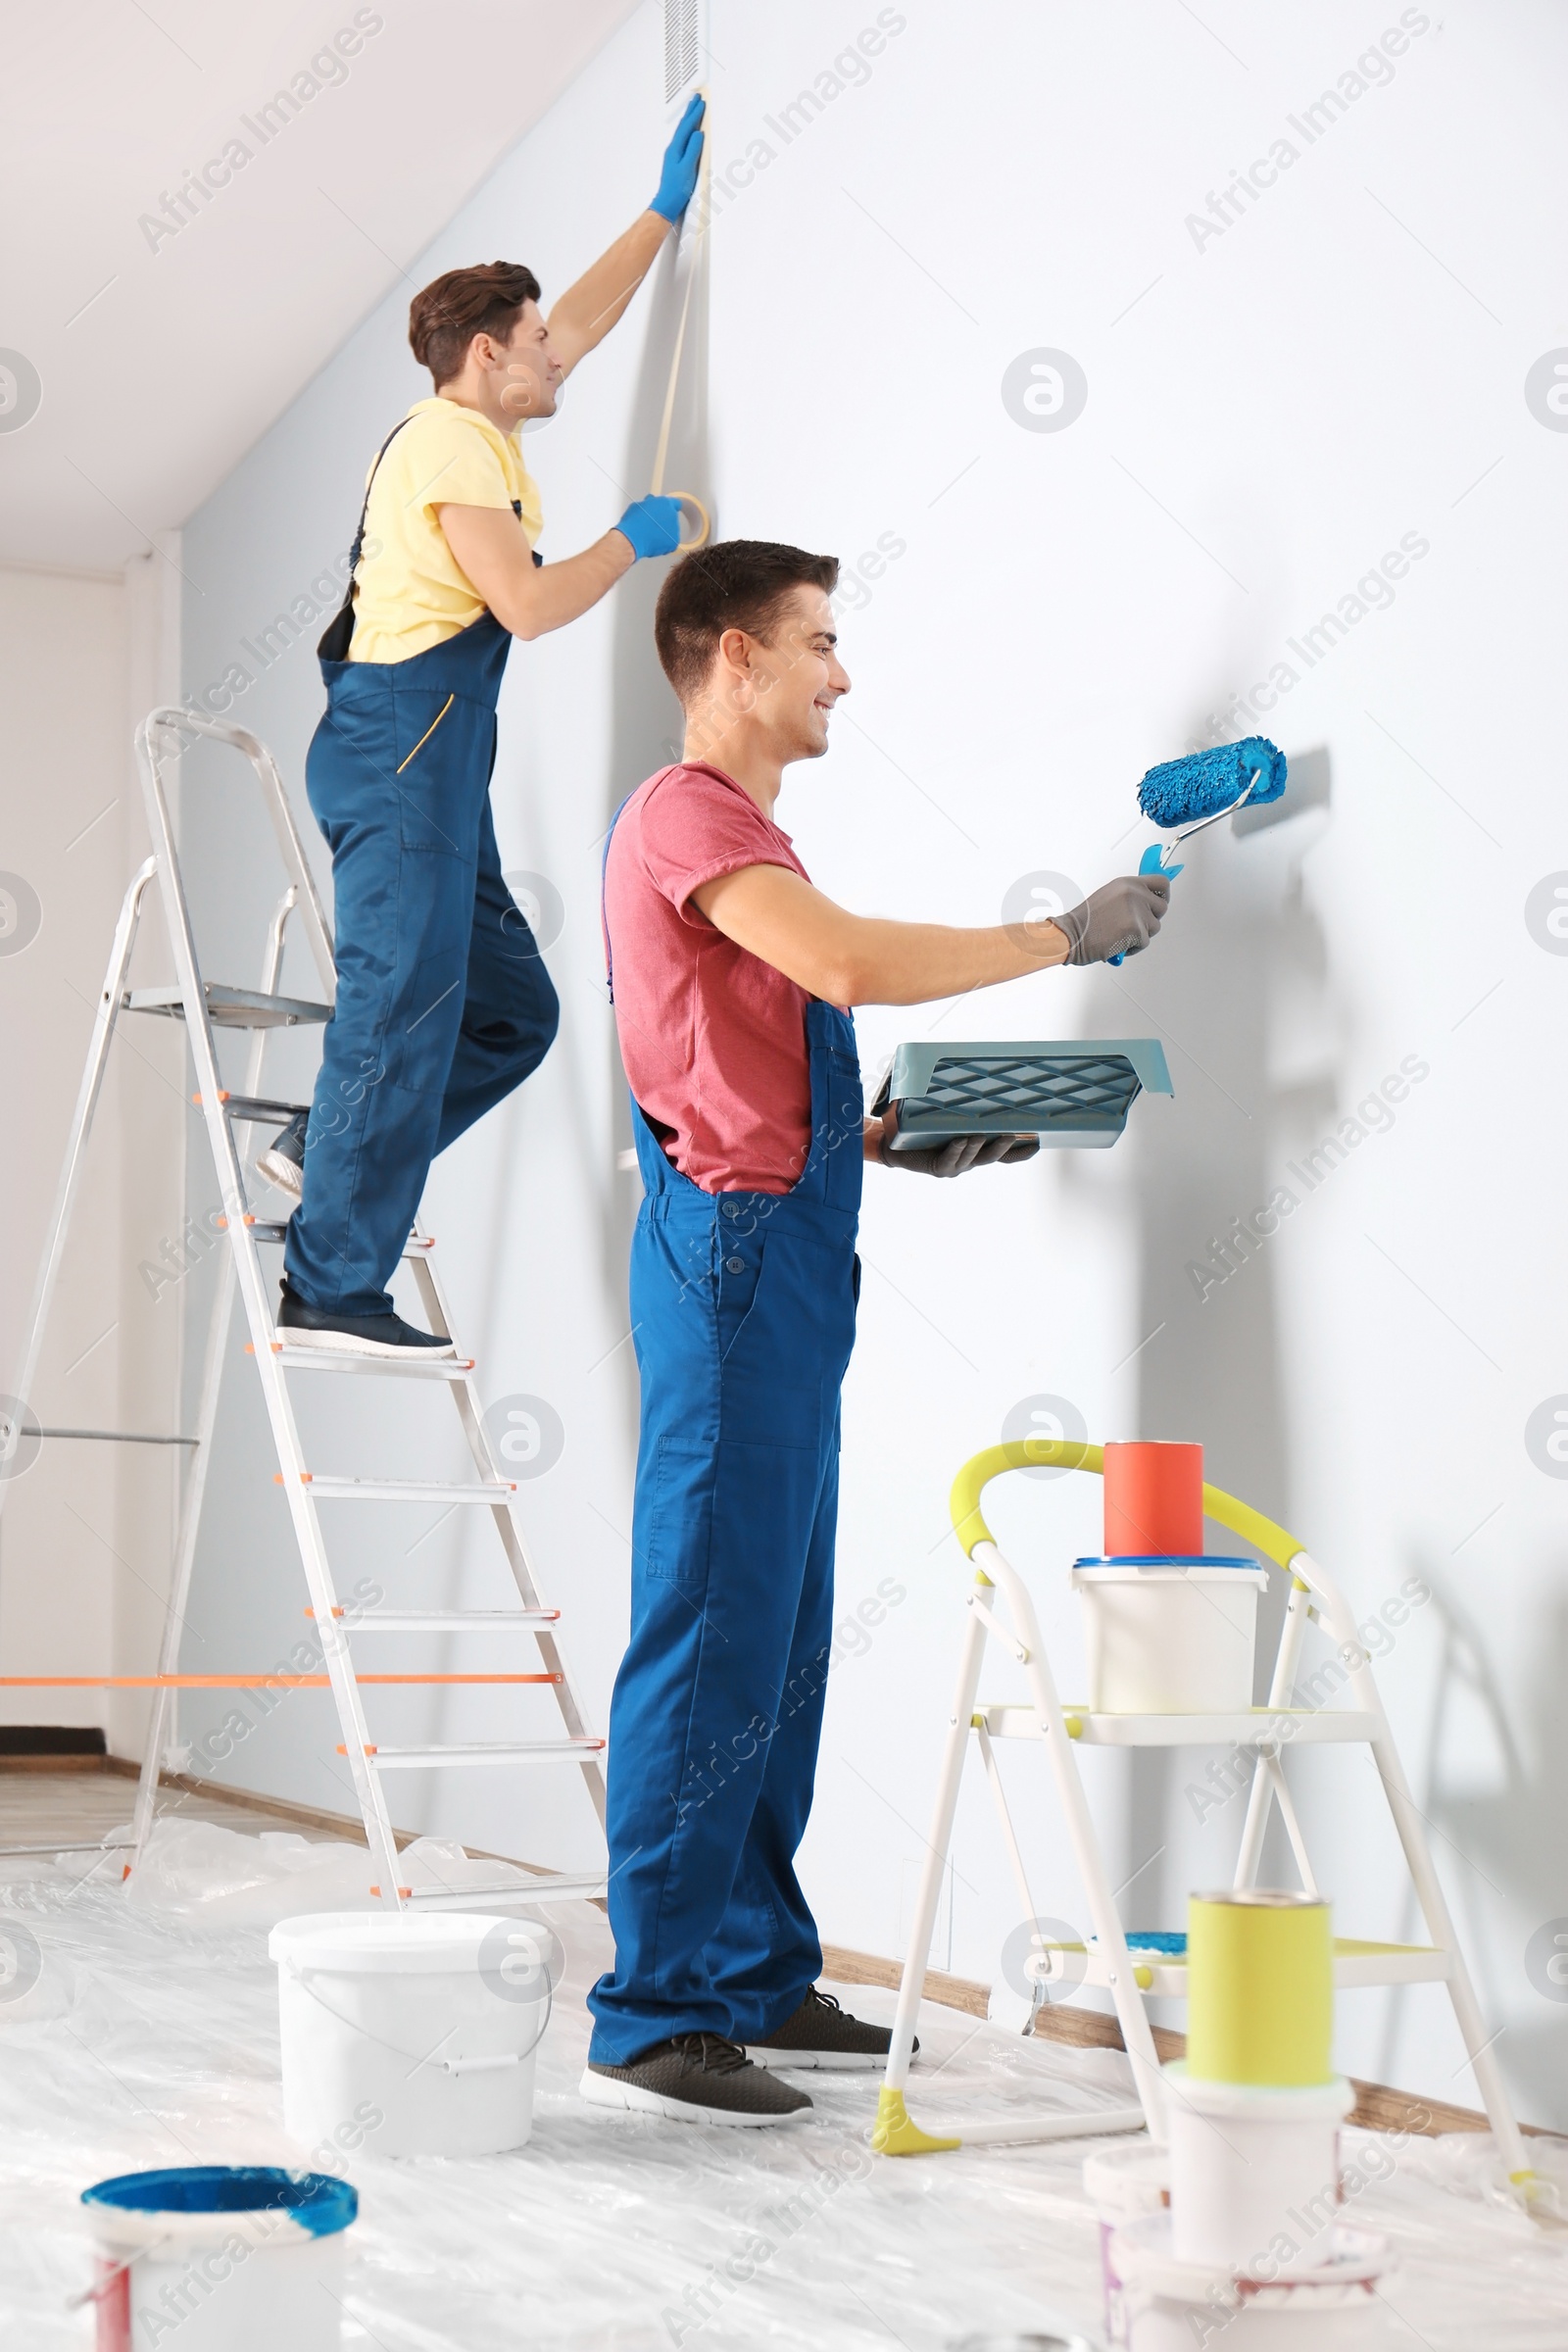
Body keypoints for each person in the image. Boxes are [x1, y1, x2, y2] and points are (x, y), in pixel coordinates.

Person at [584, 539, 1170, 2125]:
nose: (842, 674)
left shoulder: (747, 839)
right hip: (734, 1261)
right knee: (712, 1624)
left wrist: (892, 1135)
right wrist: (1062, 936)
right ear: (733, 656)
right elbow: (843, 961)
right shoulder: (686, 813)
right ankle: (654, 2008)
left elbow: (742, 1058)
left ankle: (748, 1973)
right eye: (819, 642)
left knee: (776, 1633)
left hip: (787, 1250)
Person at [259, 99, 707, 1357]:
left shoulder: (484, 426)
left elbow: (583, 319)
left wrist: (660, 214)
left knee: (510, 1013)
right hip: (400, 751)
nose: (557, 358)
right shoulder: (450, 446)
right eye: (536, 346)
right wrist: (629, 539)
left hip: (436, 763)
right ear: (482, 354)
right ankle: (330, 1281)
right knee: (398, 1002)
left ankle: (325, 1145)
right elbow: (527, 604)